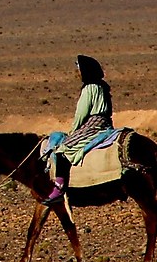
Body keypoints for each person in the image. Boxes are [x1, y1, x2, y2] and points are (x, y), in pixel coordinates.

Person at [46, 55, 114, 204]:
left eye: (78, 70)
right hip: (105, 123)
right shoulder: (102, 86)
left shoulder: (89, 88)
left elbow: (82, 113)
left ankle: (59, 187)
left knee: (62, 150)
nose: (76, 73)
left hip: (93, 124)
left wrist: (74, 130)